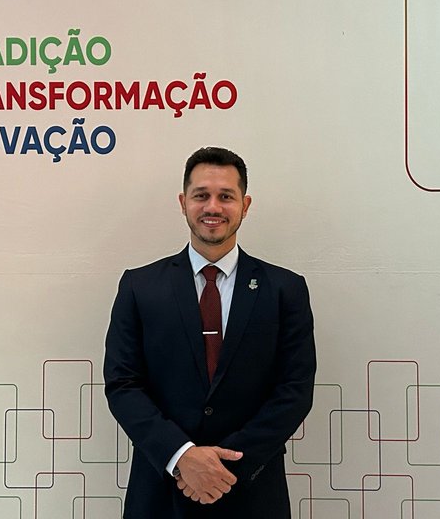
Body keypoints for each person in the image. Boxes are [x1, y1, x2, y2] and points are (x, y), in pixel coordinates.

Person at [104, 146, 316, 518]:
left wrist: (225, 469)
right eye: (201, 195)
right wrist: (182, 456)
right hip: (161, 493)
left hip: (252, 493)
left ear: (245, 205)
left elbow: (294, 391)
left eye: (226, 196)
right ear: (183, 202)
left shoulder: (285, 289)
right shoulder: (140, 287)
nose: (213, 207)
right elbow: (123, 384)